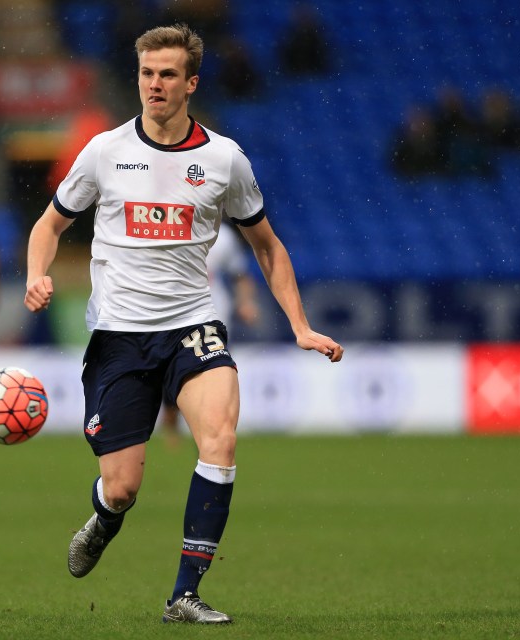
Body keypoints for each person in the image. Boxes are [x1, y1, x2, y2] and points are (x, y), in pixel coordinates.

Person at [24, 24, 342, 624]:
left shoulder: (223, 159)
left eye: (168, 74)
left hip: (195, 327)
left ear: (191, 82)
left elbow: (268, 248)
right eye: (147, 73)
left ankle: (184, 594)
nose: (155, 85)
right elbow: (49, 225)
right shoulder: (104, 152)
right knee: (121, 487)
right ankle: (105, 518)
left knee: (219, 442)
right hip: (119, 336)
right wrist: (37, 274)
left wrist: (300, 326)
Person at [159, 220, 259, 447]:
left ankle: (209, 426)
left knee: (211, 370)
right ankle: (172, 416)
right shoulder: (169, 223)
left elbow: (240, 274)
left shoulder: (223, 236)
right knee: (171, 369)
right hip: (174, 312)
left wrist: (246, 302)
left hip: (213, 314)